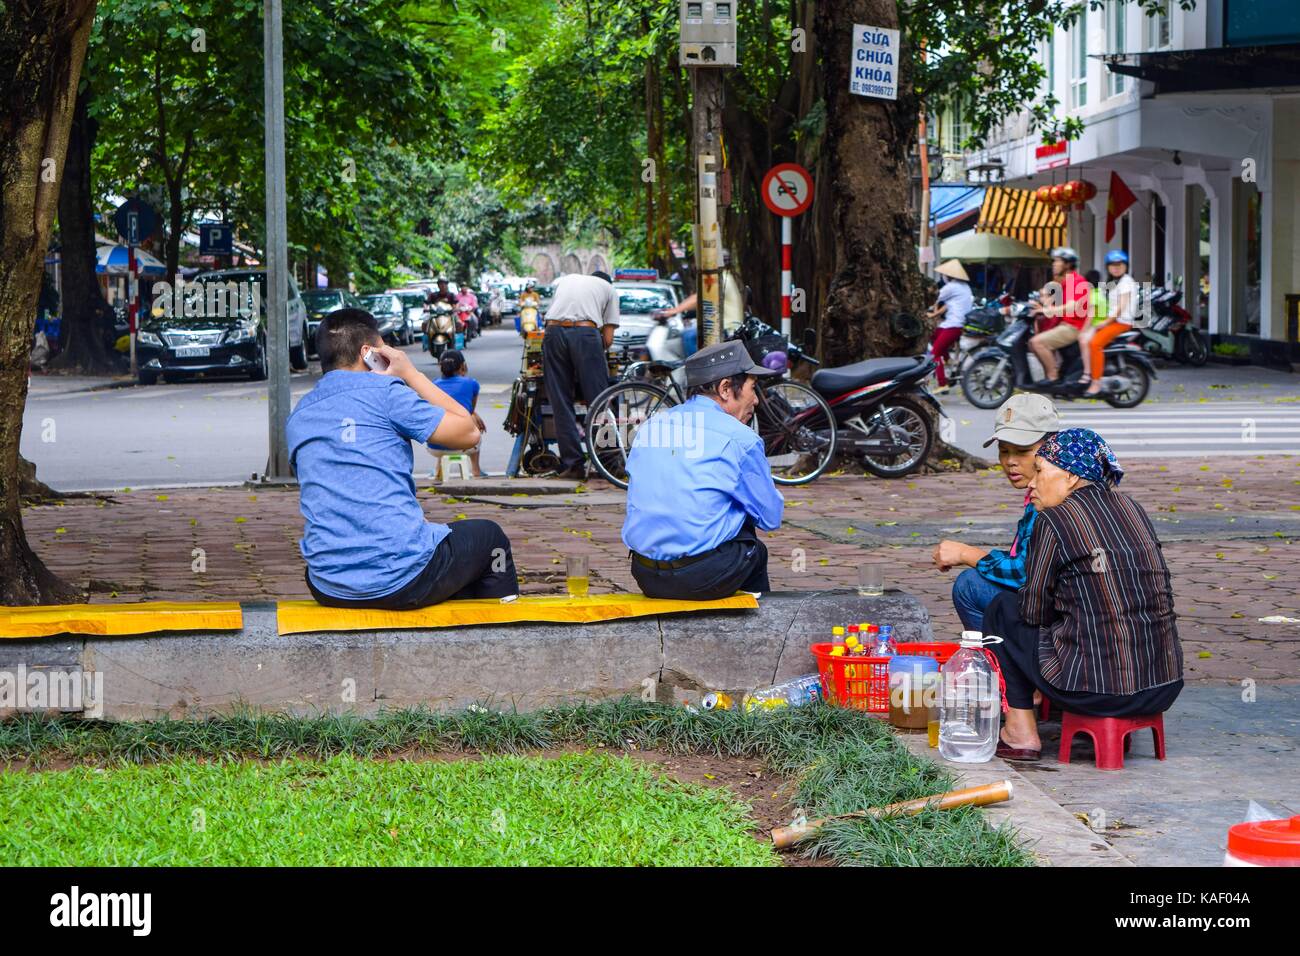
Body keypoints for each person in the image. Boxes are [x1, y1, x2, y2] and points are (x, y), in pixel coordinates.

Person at [287, 309, 518, 608]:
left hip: (328, 584)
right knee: (491, 540)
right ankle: (499, 636)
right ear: (369, 353)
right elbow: (469, 432)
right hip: (402, 578)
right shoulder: (385, 392)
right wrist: (411, 374)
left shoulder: (300, 414)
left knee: (442, 548)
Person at [982, 428, 1183, 761]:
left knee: (1003, 608)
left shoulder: (1054, 520)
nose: (1032, 482)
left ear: (1072, 477)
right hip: (1163, 687)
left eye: (1042, 471)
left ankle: (1020, 732)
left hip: (1098, 693)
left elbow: (1033, 612)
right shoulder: (1132, 507)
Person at [622, 341, 784, 600]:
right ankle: (760, 631)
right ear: (725, 388)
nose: (756, 400)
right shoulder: (740, 438)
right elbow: (770, 518)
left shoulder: (652, 426)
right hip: (701, 577)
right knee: (751, 541)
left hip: (645, 574)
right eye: (753, 388)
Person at [933, 393, 1060, 631]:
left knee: (969, 585)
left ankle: (1003, 662)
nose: (1011, 461)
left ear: (1051, 448)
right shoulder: (1041, 490)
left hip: (1066, 624)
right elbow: (1025, 555)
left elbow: (1024, 573)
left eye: (1022, 451)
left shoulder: (1052, 498)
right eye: (1004, 451)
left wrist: (967, 554)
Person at [541, 269, 620, 479]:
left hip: (553, 332)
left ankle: (573, 464)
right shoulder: (610, 290)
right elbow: (609, 340)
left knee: (560, 400)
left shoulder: (568, 280)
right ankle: (609, 463)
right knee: (599, 399)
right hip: (585, 334)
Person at [653, 248, 745, 351]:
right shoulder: (724, 276)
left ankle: (696, 365)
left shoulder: (720, 279)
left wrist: (673, 311)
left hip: (728, 329)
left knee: (688, 336)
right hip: (725, 326)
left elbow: (698, 298)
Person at [1028, 247, 1091, 385]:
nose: (1054, 264)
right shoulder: (1064, 283)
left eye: (1057, 261)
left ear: (1068, 264)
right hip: (1063, 325)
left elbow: (1072, 306)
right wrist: (1040, 303)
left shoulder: (1077, 281)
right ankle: (1050, 375)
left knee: (1037, 342)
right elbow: (1051, 302)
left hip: (1073, 327)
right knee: (1032, 344)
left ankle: (1053, 377)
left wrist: (1047, 310)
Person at [1078, 250, 1138, 395]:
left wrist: (1105, 323)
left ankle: (1096, 382)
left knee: (1095, 344)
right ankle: (1085, 373)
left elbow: (1120, 308)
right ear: (1108, 267)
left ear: (1126, 266)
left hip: (1121, 322)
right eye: (1112, 265)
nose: (1116, 267)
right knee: (1083, 338)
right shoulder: (1114, 282)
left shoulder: (1126, 282)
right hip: (1112, 321)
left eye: (1120, 264)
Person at [432, 349, 487, 478]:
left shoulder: (433, 384)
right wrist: (475, 416)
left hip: (434, 447)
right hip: (465, 446)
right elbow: (469, 411)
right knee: (472, 424)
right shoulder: (472, 384)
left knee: (441, 423)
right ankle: (476, 470)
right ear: (462, 366)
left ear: (441, 366)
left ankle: (437, 470)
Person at [926, 259, 974, 391]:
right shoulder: (964, 286)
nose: (943, 277)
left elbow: (934, 298)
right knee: (933, 334)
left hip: (953, 325)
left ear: (948, 275)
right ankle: (946, 359)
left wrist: (930, 311)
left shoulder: (950, 287)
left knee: (934, 354)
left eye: (944, 275)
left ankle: (942, 384)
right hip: (955, 324)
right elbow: (949, 305)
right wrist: (935, 315)